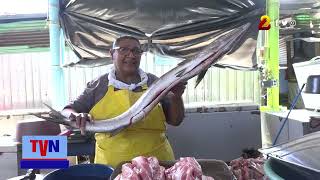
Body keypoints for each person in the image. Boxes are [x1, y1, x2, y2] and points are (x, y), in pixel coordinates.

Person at [61, 36, 186, 168]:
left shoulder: (154, 82)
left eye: (136, 51)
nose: (131, 55)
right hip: (113, 167)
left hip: (157, 163)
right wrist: (75, 116)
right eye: (123, 49)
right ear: (111, 54)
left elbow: (175, 121)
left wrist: (176, 97)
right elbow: (66, 110)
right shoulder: (98, 86)